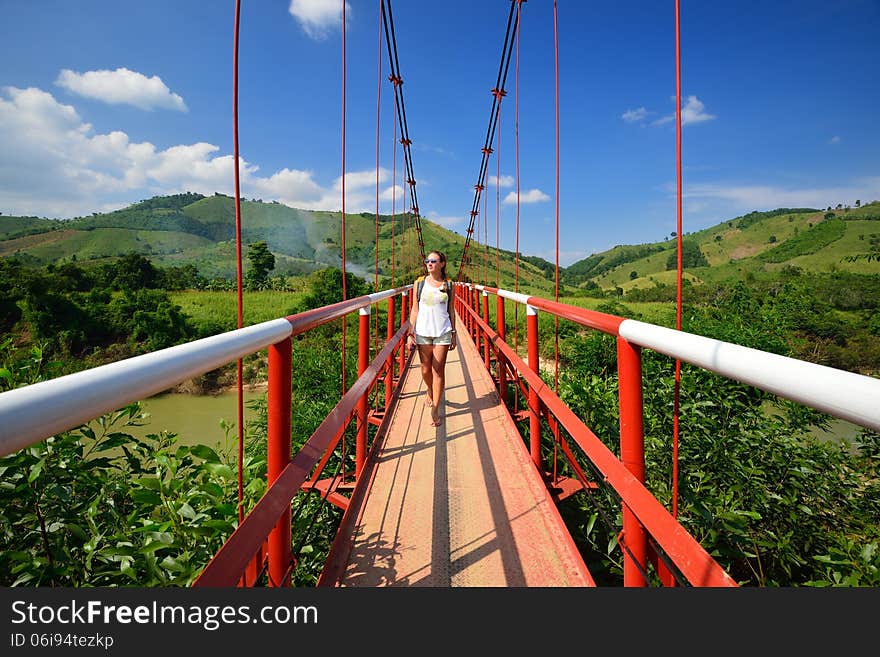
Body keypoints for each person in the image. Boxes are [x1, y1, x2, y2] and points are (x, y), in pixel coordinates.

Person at [406, 250, 456, 427]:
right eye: (427, 260)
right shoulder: (419, 283)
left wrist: (454, 333)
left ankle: (435, 408)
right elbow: (414, 309)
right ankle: (429, 389)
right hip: (422, 332)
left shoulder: (449, 284)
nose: (429, 263)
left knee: (438, 370)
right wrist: (410, 333)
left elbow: (451, 310)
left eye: (433, 261)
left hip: (443, 331)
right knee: (425, 370)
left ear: (442, 263)